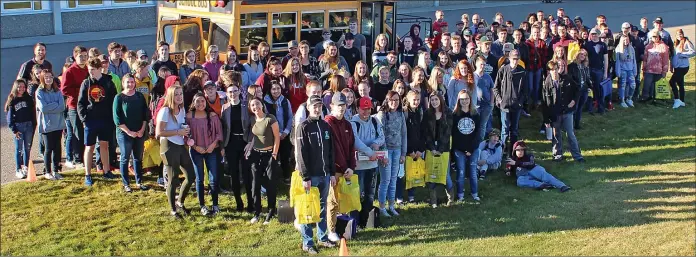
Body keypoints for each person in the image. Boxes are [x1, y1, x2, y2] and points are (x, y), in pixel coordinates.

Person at [296, 95, 337, 254]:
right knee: (308, 210)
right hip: (310, 176)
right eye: (314, 106)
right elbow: (301, 154)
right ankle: (307, 242)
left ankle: (322, 237)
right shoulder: (303, 127)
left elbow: (330, 151)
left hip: (325, 175)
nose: (317, 108)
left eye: (319, 106)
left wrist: (332, 172)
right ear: (308, 107)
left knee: (322, 207)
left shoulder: (325, 126)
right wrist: (305, 176)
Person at [156, 83, 195, 219]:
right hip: (168, 145)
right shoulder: (165, 111)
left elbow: (181, 126)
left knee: (191, 175)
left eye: (181, 94)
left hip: (179, 144)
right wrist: (178, 131)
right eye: (176, 94)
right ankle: (173, 210)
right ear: (171, 96)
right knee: (173, 179)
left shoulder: (182, 109)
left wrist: (185, 132)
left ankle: (180, 202)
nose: (179, 97)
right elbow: (159, 132)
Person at [78, 57, 118, 186]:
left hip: (105, 119)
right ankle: (88, 174)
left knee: (104, 145)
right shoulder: (86, 83)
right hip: (91, 120)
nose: (91, 72)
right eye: (89, 70)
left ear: (100, 69)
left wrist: (113, 119)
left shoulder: (108, 82)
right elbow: (80, 103)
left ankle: (106, 170)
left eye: (93, 70)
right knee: (89, 147)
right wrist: (84, 119)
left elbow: (114, 101)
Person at [324, 92, 356, 242]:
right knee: (332, 201)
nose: (341, 109)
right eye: (338, 106)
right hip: (334, 170)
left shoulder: (348, 124)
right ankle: (330, 230)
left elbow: (351, 148)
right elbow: (334, 149)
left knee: (344, 199)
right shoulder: (328, 123)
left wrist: (352, 167)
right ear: (331, 106)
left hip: (346, 170)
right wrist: (344, 168)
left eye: (343, 106)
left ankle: (343, 227)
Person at [186, 92, 223, 216]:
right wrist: (196, 147)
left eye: (202, 101)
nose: (200, 104)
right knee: (199, 178)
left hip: (211, 150)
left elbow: (219, 133)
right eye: (197, 101)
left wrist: (213, 145)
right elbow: (186, 136)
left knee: (213, 179)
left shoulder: (212, 115)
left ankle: (215, 204)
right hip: (196, 151)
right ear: (193, 102)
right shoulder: (189, 116)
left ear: (205, 102)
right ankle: (202, 205)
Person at [113, 73, 151, 192]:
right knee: (125, 157)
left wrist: (141, 130)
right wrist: (129, 132)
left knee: (138, 157)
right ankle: (126, 184)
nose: (130, 84)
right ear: (123, 83)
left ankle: (139, 181)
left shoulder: (139, 96)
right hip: (124, 133)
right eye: (127, 82)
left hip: (139, 131)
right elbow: (117, 118)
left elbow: (145, 115)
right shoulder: (119, 98)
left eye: (132, 82)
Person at [542, 61, 585, 163]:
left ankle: (577, 156)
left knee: (570, 134)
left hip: (567, 112)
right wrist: (546, 119)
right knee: (556, 135)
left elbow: (578, 89)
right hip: (555, 113)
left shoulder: (567, 79)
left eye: (556, 69)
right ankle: (557, 155)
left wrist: (574, 101)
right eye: (552, 70)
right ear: (549, 71)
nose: (555, 72)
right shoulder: (547, 84)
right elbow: (545, 103)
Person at [247, 97, 280, 224]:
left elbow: (277, 137)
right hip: (256, 154)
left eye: (257, 104)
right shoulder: (252, 120)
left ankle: (271, 211)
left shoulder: (270, 118)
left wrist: (274, 154)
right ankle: (257, 211)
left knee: (271, 184)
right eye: (253, 105)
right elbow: (254, 137)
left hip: (269, 154)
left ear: (262, 105)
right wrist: (249, 148)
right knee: (255, 184)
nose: (255, 107)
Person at [221, 83, 253, 212]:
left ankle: (251, 203)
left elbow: (253, 125)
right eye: (230, 92)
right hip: (231, 143)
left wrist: (250, 142)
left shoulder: (247, 105)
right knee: (234, 174)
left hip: (245, 142)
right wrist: (222, 145)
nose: (233, 94)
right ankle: (238, 203)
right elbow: (223, 127)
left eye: (235, 91)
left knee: (247, 173)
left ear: (239, 92)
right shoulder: (225, 108)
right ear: (227, 94)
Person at [375, 91, 407, 217]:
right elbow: (380, 134)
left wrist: (403, 153)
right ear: (387, 101)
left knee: (394, 179)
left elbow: (404, 133)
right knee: (385, 180)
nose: (394, 103)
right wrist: (383, 154)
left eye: (397, 100)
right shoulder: (382, 114)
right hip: (386, 151)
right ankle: (382, 207)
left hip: (397, 150)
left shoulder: (400, 114)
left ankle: (391, 205)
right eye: (391, 100)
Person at [350, 96, 385, 211]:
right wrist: (369, 151)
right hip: (359, 165)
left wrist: (376, 143)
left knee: (370, 194)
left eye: (368, 109)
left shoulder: (375, 121)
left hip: (372, 164)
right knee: (358, 193)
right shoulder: (353, 123)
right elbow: (355, 141)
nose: (366, 112)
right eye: (363, 109)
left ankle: (368, 217)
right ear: (357, 108)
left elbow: (382, 137)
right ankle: (357, 217)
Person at [494, 49, 527, 154]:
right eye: (513, 59)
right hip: (504, 105)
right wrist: (500, 100)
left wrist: (520, 102)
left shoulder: (522, 71)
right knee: (504, 130)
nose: (515, 61)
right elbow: (495, 88)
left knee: (514, 130)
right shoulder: (503, 70)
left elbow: (525, 90)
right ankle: (502, 150)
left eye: (517, 59)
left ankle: (513, 151)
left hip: (516, 106)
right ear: (509, 59)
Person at [423, 93, 453, 207]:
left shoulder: (448, 112)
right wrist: (432, 148)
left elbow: (447, 132)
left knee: (445, 174)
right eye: (432, 100)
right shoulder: (427, 113)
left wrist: (440, 149)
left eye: (436, 99)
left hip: (444, 148)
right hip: (431, 148)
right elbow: (426, 132)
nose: (434, 102)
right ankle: (433, 200)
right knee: (432, 174)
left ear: (441, 100)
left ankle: (451, 198)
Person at [506, 141, 571, 192]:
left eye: (522, 150)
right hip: (524, 176)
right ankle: (543, 185)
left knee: (545, 176)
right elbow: (508, 166)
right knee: (519, 181)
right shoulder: (512, 159)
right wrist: (508, 170)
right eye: (518, 150)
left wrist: (516, 163)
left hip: (534, 170)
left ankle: (562, 186)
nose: (520, 152)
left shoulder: (529, 156)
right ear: (514, 150)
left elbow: (531, 164)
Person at [35, 71, 66, 180]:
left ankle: (56, 170)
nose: (48, 79)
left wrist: (50, 106)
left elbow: (62, 107)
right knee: (48, 148)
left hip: (58, 124)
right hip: (46, 126)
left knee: (57, 148)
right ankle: (47, 171)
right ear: (42, 79)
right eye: (46, 77)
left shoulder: (57, 91)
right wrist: (55, 105)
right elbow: (43, 108)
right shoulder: (39, 92)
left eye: (50, 77)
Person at [61, 46, 88, 167]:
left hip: (87, 105)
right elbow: (64, 90)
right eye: (80, 56)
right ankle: (78, 159)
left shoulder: (88, 69)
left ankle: (86, 156)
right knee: (78, 132)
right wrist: (80, 92)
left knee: (87, 131)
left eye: (85, 56)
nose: (83, 58)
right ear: (75, 57)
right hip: (74, 106)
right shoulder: (70, 71)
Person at [451, 90, 480, 202]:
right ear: (458, 100)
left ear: (470, 99)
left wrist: (471, 149)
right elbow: (454, 135)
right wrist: (463, 149)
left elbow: (478, 133)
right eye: (462, 99)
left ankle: (474, 193)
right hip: (459, 149)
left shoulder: (475, 114)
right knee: (461, 172)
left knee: (473, 173)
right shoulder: (455, 115)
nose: (464, 101)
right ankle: (460, 194)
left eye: (466, 98)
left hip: (473, 149)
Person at [263, 81, 294, 183]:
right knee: (272, 157)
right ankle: (272, 178)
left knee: (285, 156)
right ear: (270, 90)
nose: (276, 91)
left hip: (284, 134)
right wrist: (275, 133)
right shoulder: (265, 102)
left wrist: (286, 131)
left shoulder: (285, 101)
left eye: (278, 88)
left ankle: (286, 177)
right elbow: (266, 119)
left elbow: (290, 117)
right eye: (273, 89)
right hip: (272, 135)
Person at [6, 79, 36, 179]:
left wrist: (33, 124)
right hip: (18, 126)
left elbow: (32, 113)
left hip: (28, 126)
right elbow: (9, 117)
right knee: (18, 149)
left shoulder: (28, 98)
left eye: (23, 87)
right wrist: (14, 129)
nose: (21, 89)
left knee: (27, 148)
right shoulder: (12, 99)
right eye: (19, 87)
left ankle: (26, 167)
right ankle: (18, 169)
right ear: (15, 87)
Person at [402, 90, 426, 203]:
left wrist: (420, 149)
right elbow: (404, 133)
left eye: (418, 99)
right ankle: (399, 197)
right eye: (414, 100)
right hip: (407, 148)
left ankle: (412, 196)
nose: (416, 102)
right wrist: (409, 150)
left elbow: (423, 131)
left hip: (417, 148)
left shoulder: (420, 111)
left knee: (414, 171)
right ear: (409, 100)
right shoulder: (405, 112)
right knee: (403, 174)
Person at [640, 29, 670, 103]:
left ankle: (657, 98)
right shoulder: (648, 46)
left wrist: (664, 71)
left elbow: (665, 60)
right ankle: (645, 98)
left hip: (659, 70)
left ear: (659, 37)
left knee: (657, 86)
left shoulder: (664, 46)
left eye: (656, 37)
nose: (655, 38)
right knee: (647, 85)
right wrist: (643, 69)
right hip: (649, 70)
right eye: (653, 37)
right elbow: (645, 59)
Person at [583, 28, 609, 114]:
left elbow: (606, 60)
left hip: (599, 70)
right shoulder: (587, 44)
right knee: (589, 89)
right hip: (589, 69)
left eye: (595, 34)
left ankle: (601, 108)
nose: (594, 35)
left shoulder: (603, 45)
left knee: (599, 90)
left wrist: (605, 72)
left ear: (598, 35)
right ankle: (589, 108)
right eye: (592, 34)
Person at [567, 49, 593, 129]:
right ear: (577, 54)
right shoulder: (572, 66)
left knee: (580, 107)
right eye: (581, 54)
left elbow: (587, 78)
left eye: (585, 55)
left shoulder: (585, 66)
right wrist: (576, 87)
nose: (583, 56)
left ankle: (577, 125)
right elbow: (570, 78)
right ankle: (570, 125)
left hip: (584, 89)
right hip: (576, 90)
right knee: (575, 107)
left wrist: (590, 86)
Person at [670, 29, 694, 109]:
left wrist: (683, 54)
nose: (679, 36)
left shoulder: (686, 41)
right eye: (678, 35)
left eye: (680, 34)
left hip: (683, 67)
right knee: (680, 83)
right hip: (677, 67)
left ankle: (677, 99)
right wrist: (672, 66)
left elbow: (693, 52)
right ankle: (682, 101)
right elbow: (673, 56)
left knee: (672, 82)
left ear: (683, 34)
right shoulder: (676, 43)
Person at [474, 56, 495, 141]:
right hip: (475, 105)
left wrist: (492, 103)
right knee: (475, 125)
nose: (482, 66)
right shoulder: (472, 76)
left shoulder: (488, 77)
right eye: (481, 64)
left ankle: (480, 143)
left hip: (486, 105)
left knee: (483, 125)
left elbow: (492, 89)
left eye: (484, 65)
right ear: (476, 64)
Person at [614, 35, 638, 108]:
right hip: (622, 70)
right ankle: (622, 100)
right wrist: (618, 72)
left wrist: (635, 70)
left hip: (630, 69)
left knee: (633, 85)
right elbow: (617, 61)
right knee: (623, 86)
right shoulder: (618, 49)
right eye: (624, 40)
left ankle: (629, 98)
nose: (626, 41)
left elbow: (634, 61)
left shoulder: (631, 49)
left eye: (627, 40)